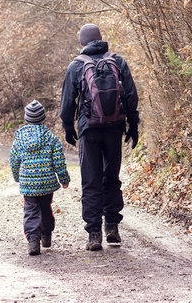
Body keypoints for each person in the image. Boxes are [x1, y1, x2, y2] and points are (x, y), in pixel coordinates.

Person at [60, 23, 139, 251]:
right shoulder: (118, 61)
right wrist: (133, 125)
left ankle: (94, 234)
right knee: (111, 178)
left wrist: (68, 127)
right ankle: (112, 228)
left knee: (91, 181)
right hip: (115, 128)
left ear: (83, 42)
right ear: (100, 39)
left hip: (89, 131)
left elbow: (67, 102)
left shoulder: (76, 65)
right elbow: (131, 97)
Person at [10, 100, 71, 255]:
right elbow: (59, 161)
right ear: (43, 119)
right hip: (46, 183)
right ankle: (46, 235)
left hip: (28, 184)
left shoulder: (19, 139)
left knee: (30, 211)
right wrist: (64, 179)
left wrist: (18, 177)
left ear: (26, 119)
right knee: (45, 208)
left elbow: (14, 160)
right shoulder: (51, 138)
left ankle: (32, 240)